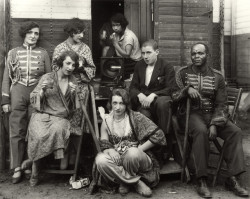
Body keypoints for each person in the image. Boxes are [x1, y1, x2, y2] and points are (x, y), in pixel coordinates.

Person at [172, 43, 249, 198]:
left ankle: (233, 179)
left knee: (235, 132)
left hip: (213, 115)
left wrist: (214, 123)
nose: (196, 57)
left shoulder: (217, 76)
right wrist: (186, 89)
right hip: (191, 115)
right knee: (201, 131)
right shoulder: (182, 73)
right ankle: (202, 180)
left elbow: (222, 104)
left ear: (207, 55)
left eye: (200, 53)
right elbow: (173, 96)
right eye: (193, 54)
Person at [1, 21, 51, 184]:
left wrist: (46, 95)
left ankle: (30, 164)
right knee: (16, 129)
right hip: (18, 91)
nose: (33, 36)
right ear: (24, 34)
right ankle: (17, 167)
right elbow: (6, 78)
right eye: (30, 33)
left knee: (34, 129)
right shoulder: (13, 53)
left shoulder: (43, 53)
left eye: (36, 33)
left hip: (37, 93)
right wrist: (5, 99)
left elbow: (49, 77)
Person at [95, 88, 166, 197]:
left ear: (127, 104)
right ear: (110, 103)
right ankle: (134, 182)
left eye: (121, 103)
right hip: (119, 159)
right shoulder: (106, 121)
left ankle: (124, 181)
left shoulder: (135, 117)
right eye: (115, 103)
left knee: (132, 153)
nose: (118, 107)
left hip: (138, 159)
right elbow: (104, 143)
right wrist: (110, 150)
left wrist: (139, 149)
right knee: (100, 160)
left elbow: (159, 135)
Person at [27, 50, 81, 186]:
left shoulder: (73, 80)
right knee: (38, 135)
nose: (70, 68)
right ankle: (35, 167)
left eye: (73, 65)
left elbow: (77, 107)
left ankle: (51, 161)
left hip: (61, 117)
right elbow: (33, 98)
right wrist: (42, 91)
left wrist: (75, 94)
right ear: (60, 63)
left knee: (58, 129)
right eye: (68, 63)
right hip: (42, 115)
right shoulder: (48, 77)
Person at [129, 39, 175, 161]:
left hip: (158, 102)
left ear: (157, 52)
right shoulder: (139, 65)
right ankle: (149, 150)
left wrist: (154, 94)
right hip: (144, 104)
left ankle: (163, 145)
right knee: (143, 114)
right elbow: (133, 87)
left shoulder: (166, 66)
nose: (145, 56)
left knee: (163, 103)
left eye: (148, 53)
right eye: (143, 53)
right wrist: (139, 94)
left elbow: (171, 89)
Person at [52, 17, 96, 82]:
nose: (82, 36)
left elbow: (92, 69)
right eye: (79, 32)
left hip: (81, 85)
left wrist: (83, 69)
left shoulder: (86, 48)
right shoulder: (59, 48)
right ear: (71, 32)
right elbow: (54, 67)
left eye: (83, 33)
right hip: (64, 84)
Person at [109, 13, 142, 78]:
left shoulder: (129, 36)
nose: (115, 28)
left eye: (117, 25)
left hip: (133, 62)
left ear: (123, 25)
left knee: (114, 70)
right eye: (113, 25)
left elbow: (127, 54)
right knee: (109, 66)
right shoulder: (117, 33)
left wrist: (115, 44)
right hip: (123, 60)